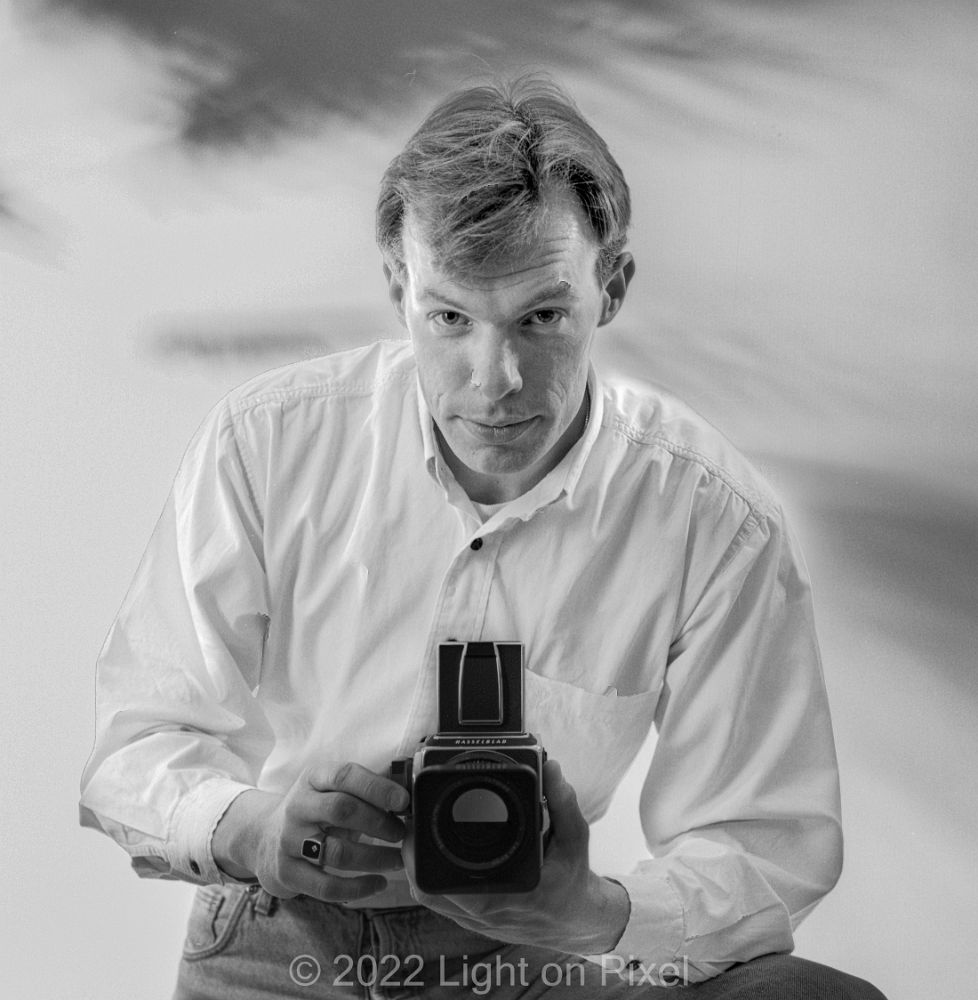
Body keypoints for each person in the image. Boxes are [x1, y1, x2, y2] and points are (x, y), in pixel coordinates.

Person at [81, 77, 886, 998]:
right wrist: (256, 831)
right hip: (277, 931)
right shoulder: (267, 442)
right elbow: (138, 742)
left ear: (612, 288)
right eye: (450, 318)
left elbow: (765, 842)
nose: (494, 379)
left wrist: (591, 910)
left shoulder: (713, 517)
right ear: (399, 290)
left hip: (530, 948)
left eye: (542, 317)